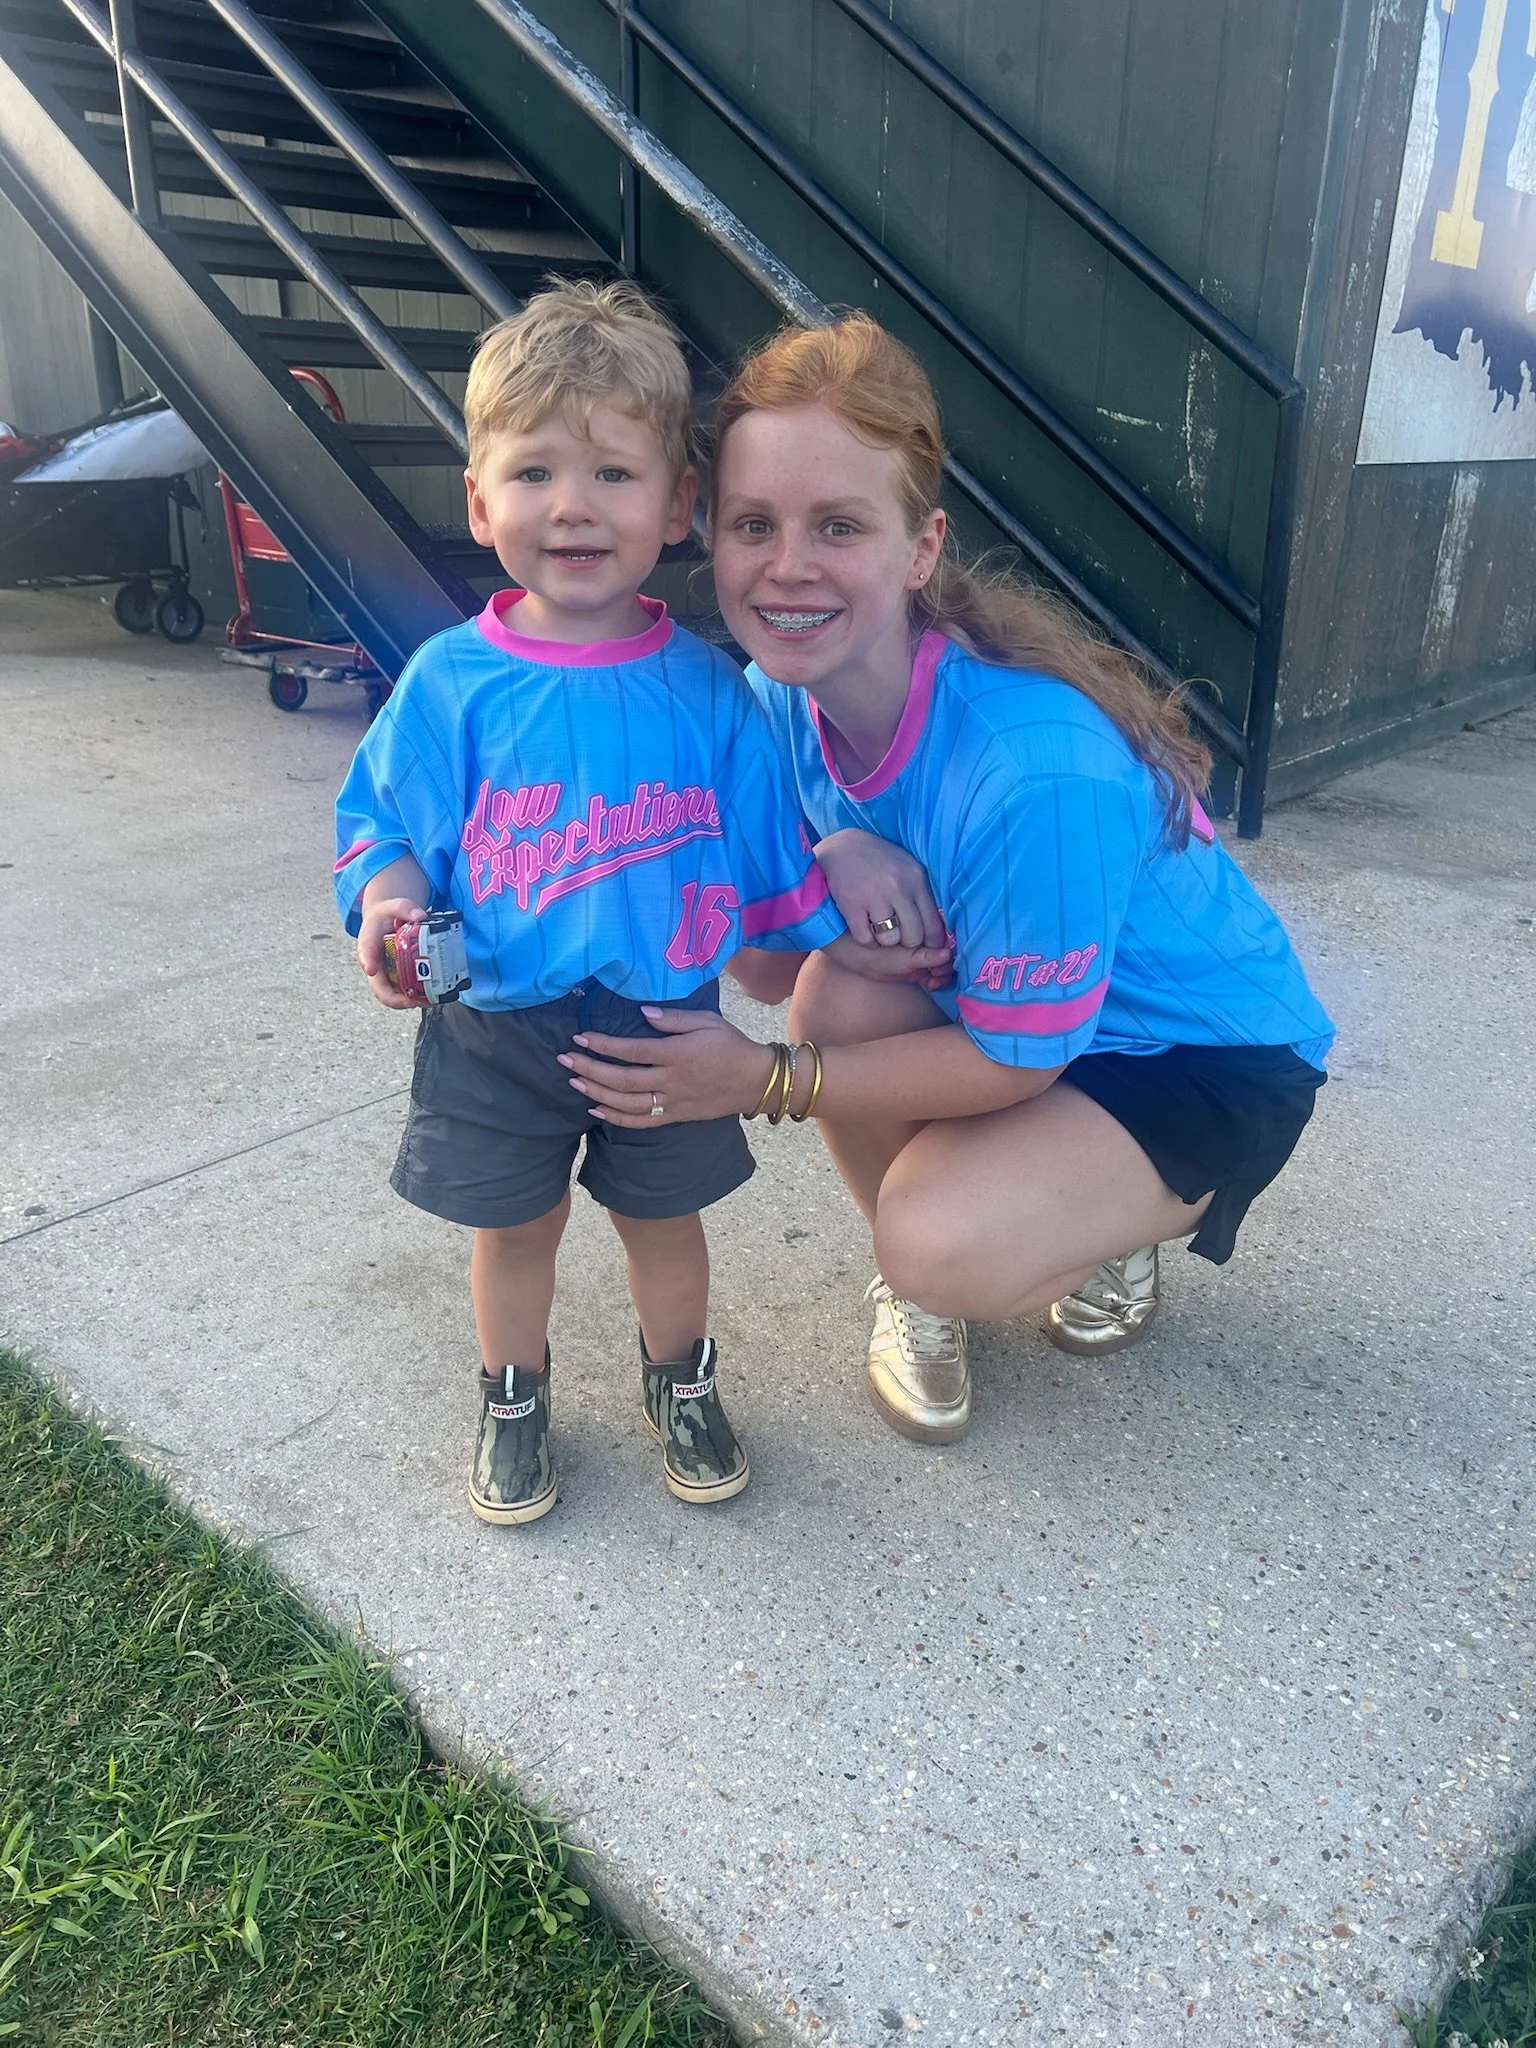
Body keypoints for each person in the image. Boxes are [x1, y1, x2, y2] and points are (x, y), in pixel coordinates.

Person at [559, 314, 1335, 1445]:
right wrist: (821, 857)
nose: (788, 567)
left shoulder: (1031, 766)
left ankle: (1083, 1230)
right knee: (843, 989)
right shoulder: (777, 696)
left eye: (839, 525)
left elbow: (1016, 1056)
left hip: (1202, 1052)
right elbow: (772, 970)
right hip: (1026, 1012)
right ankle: (963, 1261)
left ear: (921, 547)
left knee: (930, 1233)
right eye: (754, 524)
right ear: (709, 534)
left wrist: (760, 1082)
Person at [333, 285, 944, 1524]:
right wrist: (389, 910)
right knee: (518, 1226)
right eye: (536, 469)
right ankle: (514, 1389)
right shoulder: (450, 683)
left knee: (664, 1221)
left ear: (676, 506)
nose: (572, 504)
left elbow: (772, 861)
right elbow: (383, 828)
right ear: (479, 499)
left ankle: (683, 1380)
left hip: (664, 1023)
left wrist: (841, 868)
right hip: (490, 1023)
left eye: (614, 472)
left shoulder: (708, 693)